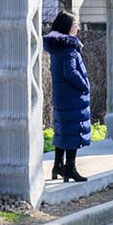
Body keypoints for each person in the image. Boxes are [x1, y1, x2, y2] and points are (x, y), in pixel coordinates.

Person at [43, 10, 91, 183]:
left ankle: (57, 165)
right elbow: (70, 72)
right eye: (75, 24)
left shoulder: (57, 48)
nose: (77, 27)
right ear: (68, 27)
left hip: (61, 97)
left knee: (62, 131)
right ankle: (70, 168)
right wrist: (84, 86)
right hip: (72, 98)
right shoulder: (70, 49)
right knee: (73, 132)